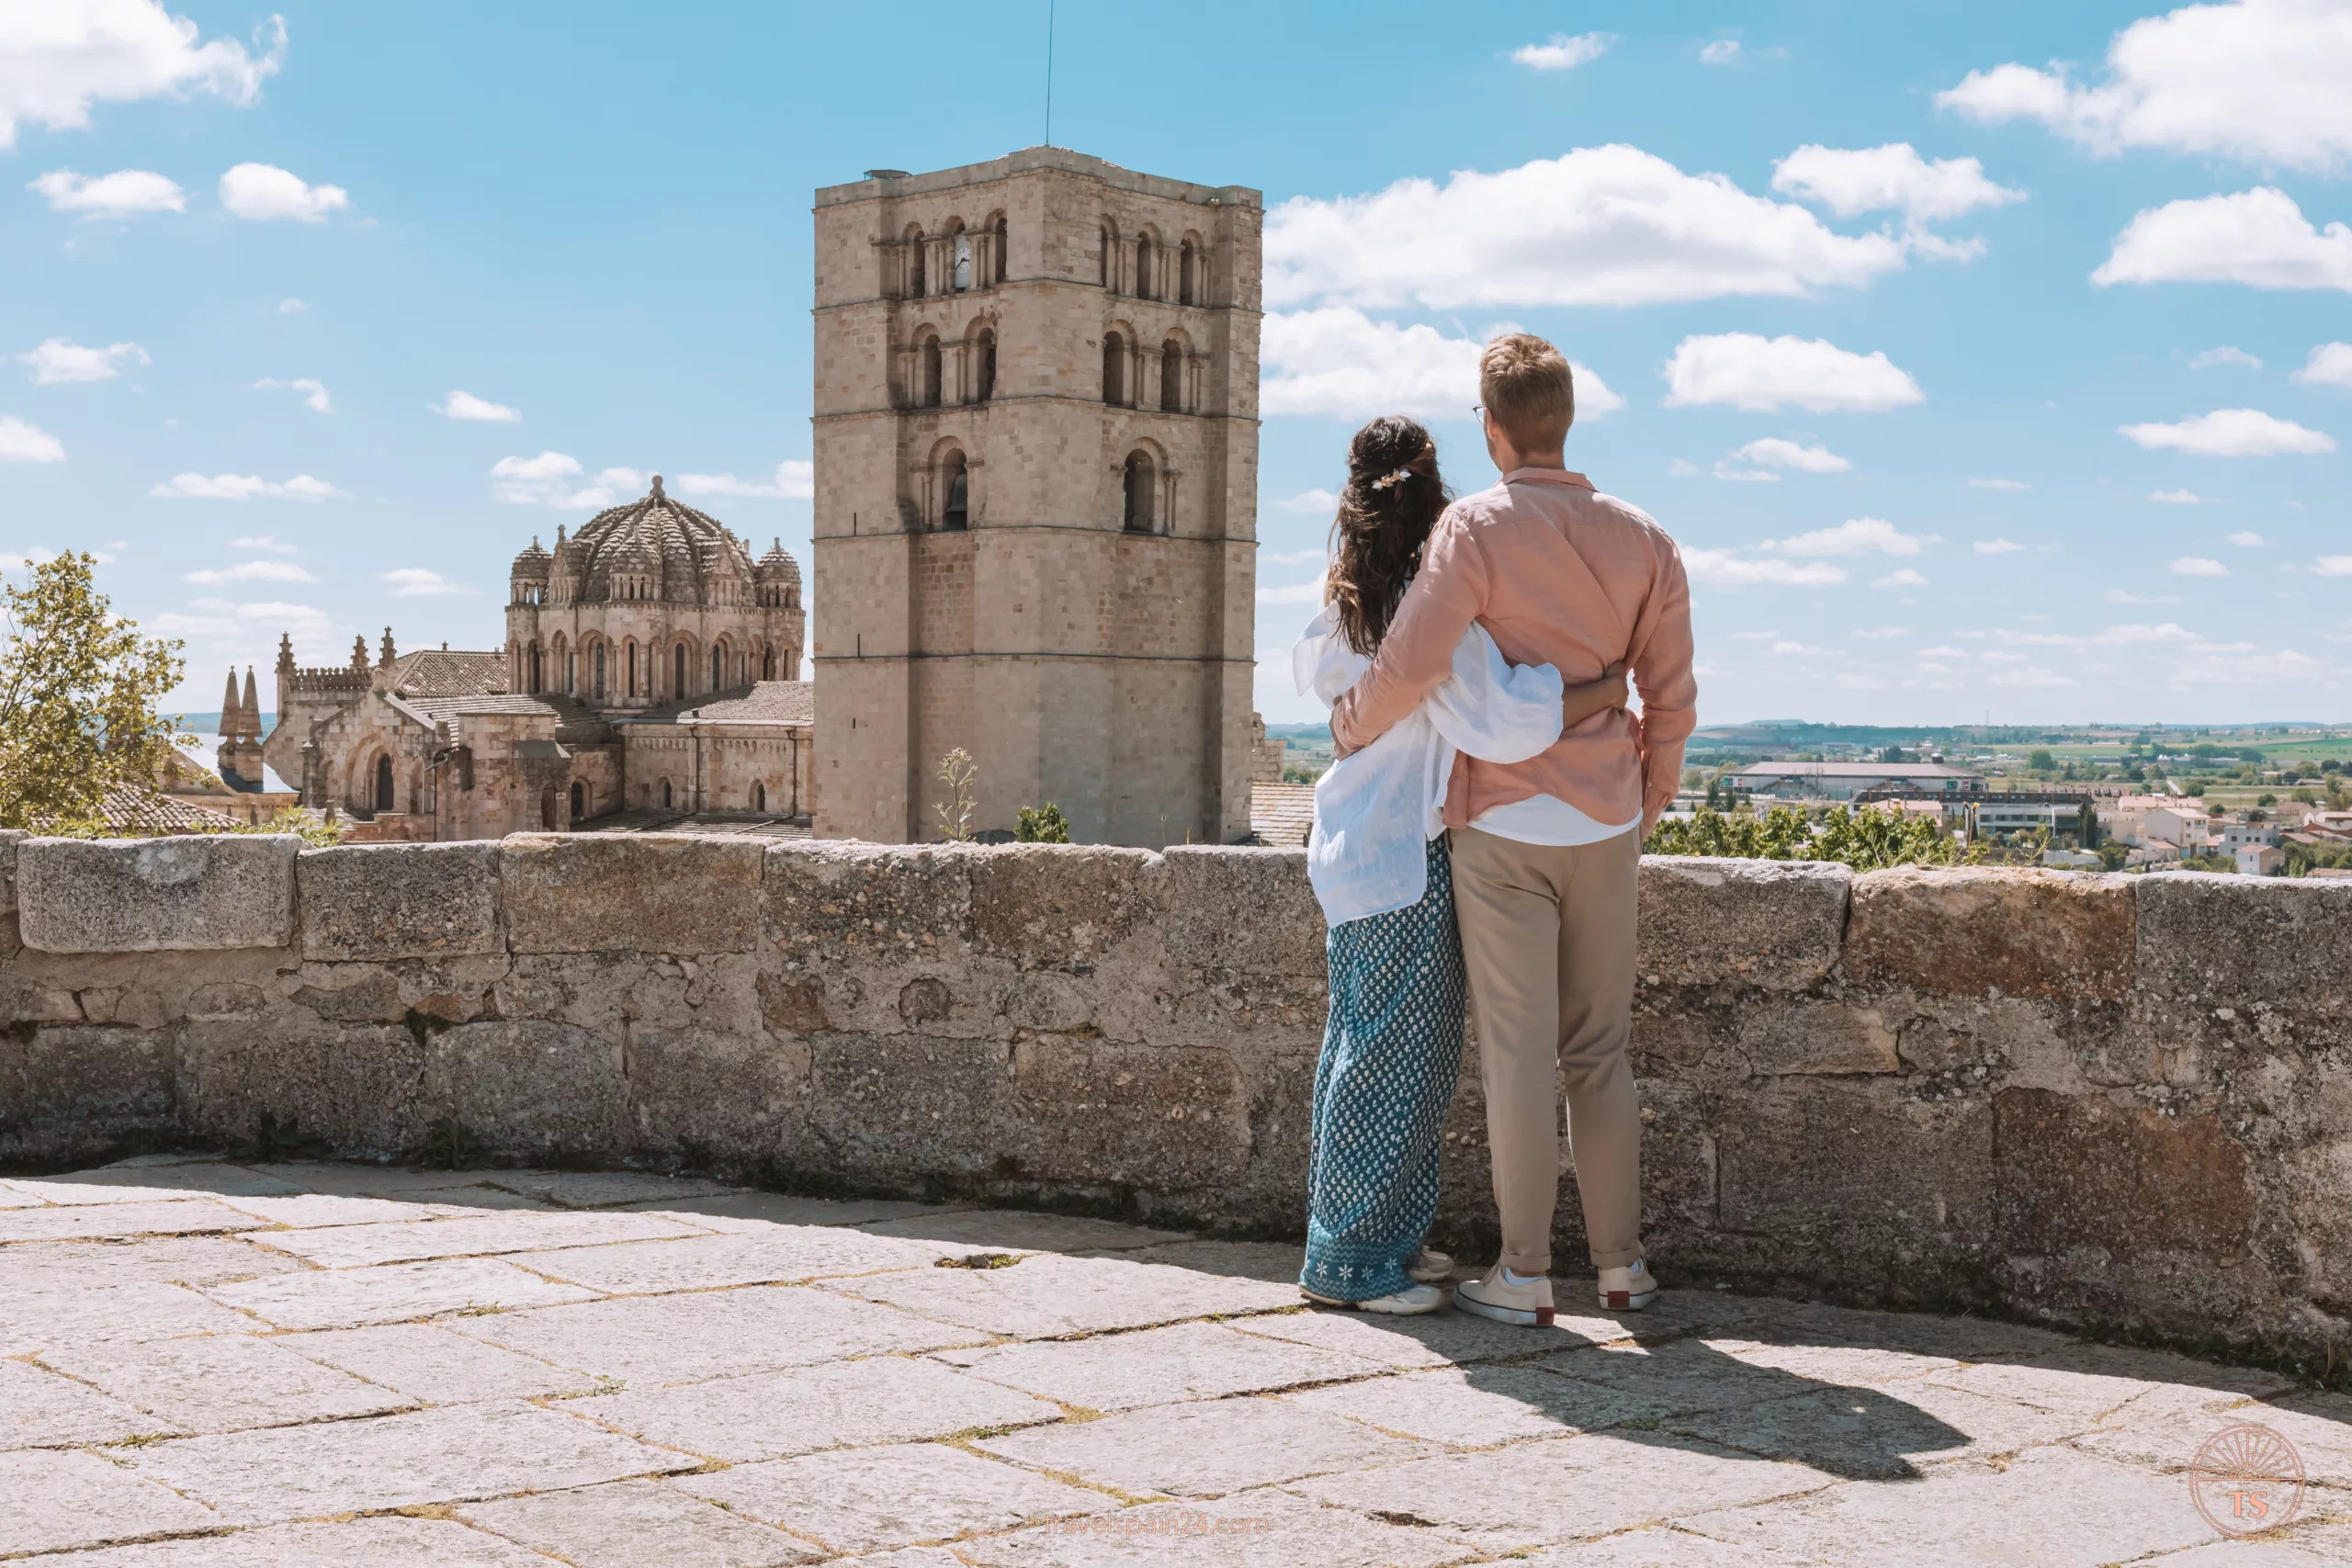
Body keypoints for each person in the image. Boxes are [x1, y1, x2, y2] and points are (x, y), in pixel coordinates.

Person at [1329, 337, 1696, 1325]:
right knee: (1600, 1051)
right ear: (1565, 419)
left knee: (1518, 1055)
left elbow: (1408, 667)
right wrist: (1642, 799)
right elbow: (1670, 699)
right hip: (1607, 817)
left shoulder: (1472, 530)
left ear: (1491, 429)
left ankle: (1526, 1273)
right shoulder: (1646, 538)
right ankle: (1622, 1268)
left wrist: (1346, 726)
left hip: (1501, 820)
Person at [1295, 414, 1634, 1315]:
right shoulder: (1431, 596)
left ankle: (1382, 1244)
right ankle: (1350, 1263)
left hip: (1359, 847)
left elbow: (1354, 699)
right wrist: (1600, 690)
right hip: (1406, 853)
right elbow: (1501, 718)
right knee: (1394, 1060)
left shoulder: (1349, 593)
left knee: (1369, 1051)